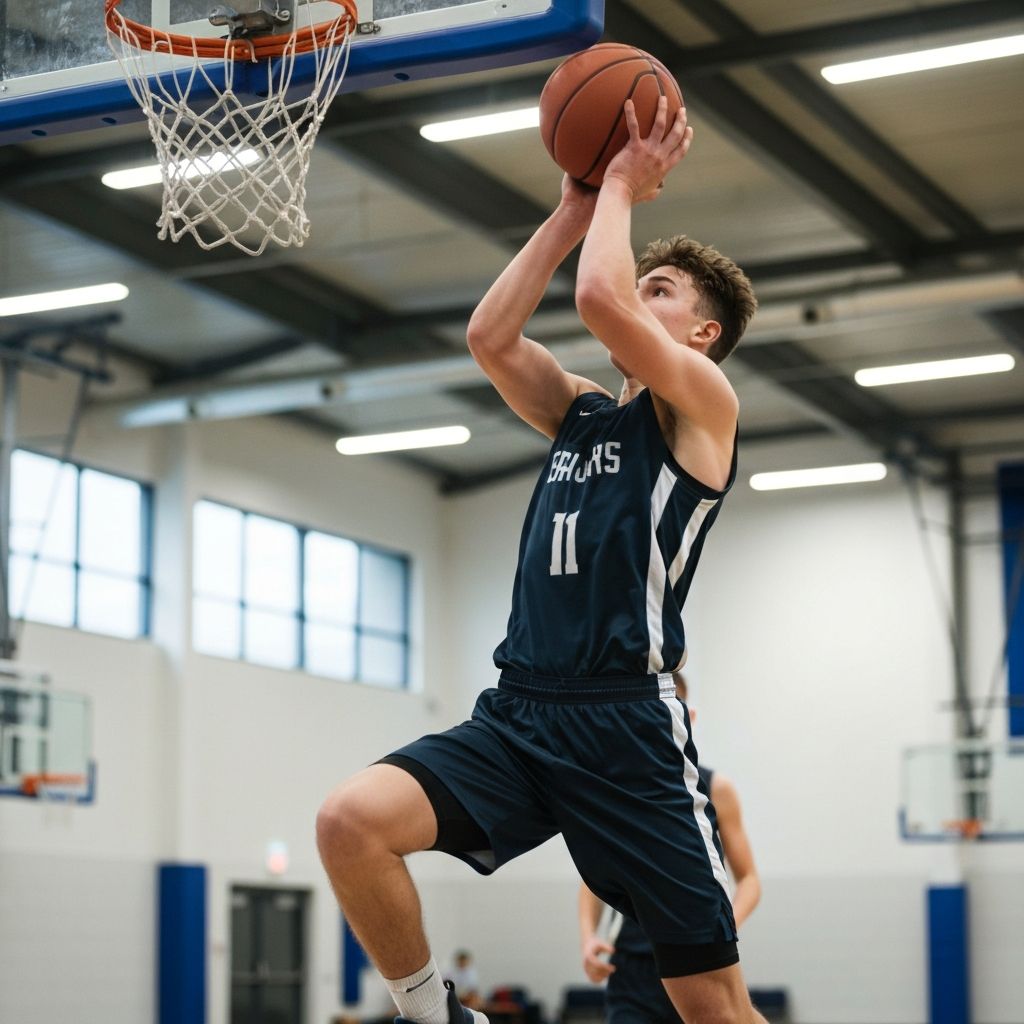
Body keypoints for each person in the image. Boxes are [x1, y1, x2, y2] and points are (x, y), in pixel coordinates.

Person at [316, 95, 765, 1024]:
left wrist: (625, 187)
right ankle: (435, 1013)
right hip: (522, 712)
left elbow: (597, 297)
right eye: (644, 281)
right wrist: (571, 209)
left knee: (713, 1009)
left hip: (628, 731)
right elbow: (490, 337)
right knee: (349, 823)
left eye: (664, 290)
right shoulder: (585, 410)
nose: (640, 290)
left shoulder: (703, 409)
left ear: (702, 336)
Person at [578, 672, 761, 1024]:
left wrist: (720, 929)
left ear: (686, 717)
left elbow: (750, 879)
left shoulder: (717, 788)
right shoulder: (615, 789)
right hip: (631, 963)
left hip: (698, 954)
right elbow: (593, 876)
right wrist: (588, 937)